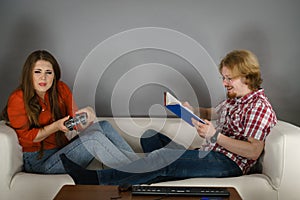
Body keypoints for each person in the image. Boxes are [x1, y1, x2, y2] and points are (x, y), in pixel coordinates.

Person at [60, 49, 277, 185]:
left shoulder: (259, 107)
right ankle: (150, 169)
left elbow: (253, 150)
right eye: (223, 78)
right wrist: (191, 110)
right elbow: (215, 112)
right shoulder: (235, 99)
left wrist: (215, 136)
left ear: (247, 76)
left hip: (228, 163)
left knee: (163, 158)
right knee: (150, 137)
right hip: (208, 151)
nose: (224, 84)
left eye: (229, 78)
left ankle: (96, 179)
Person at [0, 50, 139, 174]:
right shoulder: (18, 98)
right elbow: (28, 137)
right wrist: (56, 126)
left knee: (103, 126)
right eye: (37, 72)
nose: (43, 78)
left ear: (54, 75)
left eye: (48, 72)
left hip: (62, 150)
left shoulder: (61, 89)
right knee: (94, 140)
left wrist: (88, 115)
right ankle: (137, 174)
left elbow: (77, 125)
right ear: (28, 74)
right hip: (39, 161)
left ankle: (142, 167)